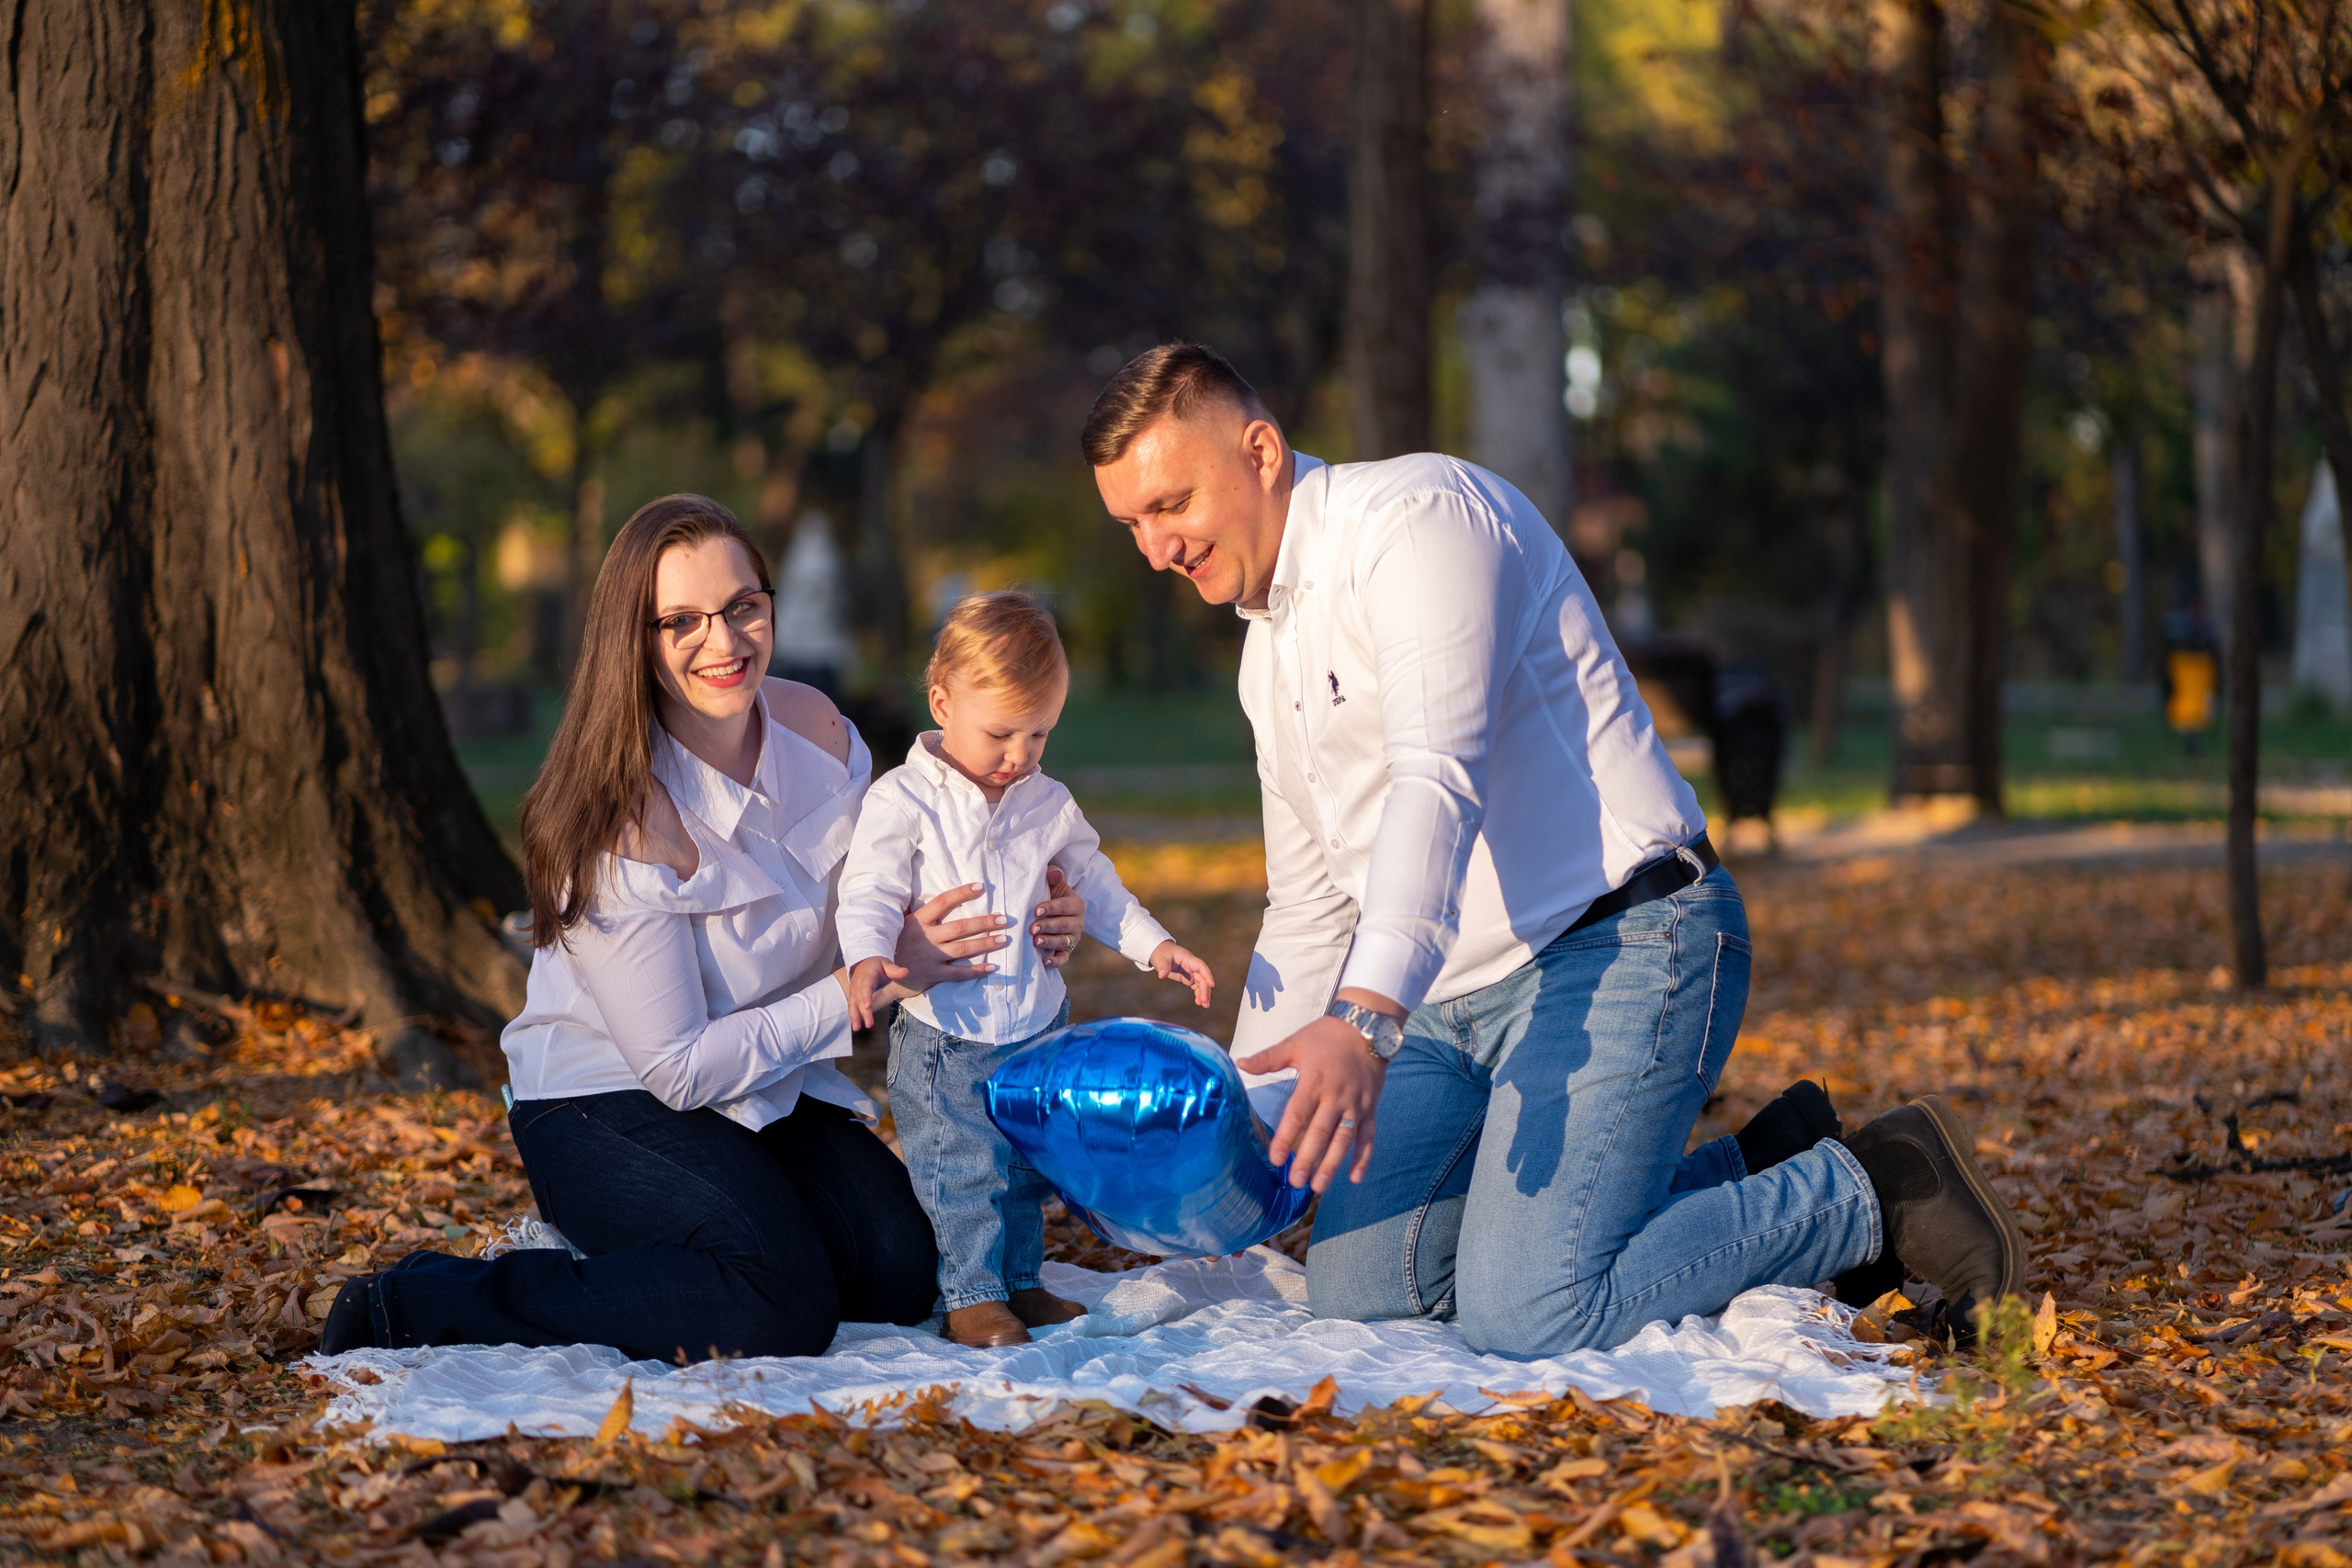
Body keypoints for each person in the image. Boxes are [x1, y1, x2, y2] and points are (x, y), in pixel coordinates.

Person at [1085, 344, 2025, 1354]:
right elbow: (1311, 904)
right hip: (1444, 1008)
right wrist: (1244, 1113)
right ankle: (1767, 1163)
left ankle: (1875, 1185)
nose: (1155, 549)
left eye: (1170, 505)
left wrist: (1360, 1021)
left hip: (1620, 943)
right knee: (1361, 1289)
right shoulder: (1265, 661)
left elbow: (1434, 782)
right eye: (1132, 524)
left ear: (1260, 450)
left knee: (1527, 1309)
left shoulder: (1418, 522)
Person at [318, 495, 1092, 1363]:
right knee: (779, 1305)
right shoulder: (619, 815)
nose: (723, 643)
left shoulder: (823, 731)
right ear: (634, 637)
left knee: (903, 1271)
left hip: (770, 1083)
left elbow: (912, 884)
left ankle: (694, 1249)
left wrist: (1040, 905)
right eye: (680, 620)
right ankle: (420, 1299)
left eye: (743, 607)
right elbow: (679, 1068)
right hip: (609, 1100)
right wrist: (864, 986)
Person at [837, 592, 1217, 1348]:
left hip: (1037, 1023)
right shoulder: (904, 799)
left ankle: (1019, 1281)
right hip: (948, 1032)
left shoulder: (1047, 802)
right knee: (961, 1168)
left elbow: (1097, 882)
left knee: (1020, 1168)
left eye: (1040, 732)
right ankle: (970, 1293)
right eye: (1001, 733)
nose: (1019, 753)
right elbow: (869, 886)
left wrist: (1156, 944)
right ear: (943, 703)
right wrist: (867, 954)